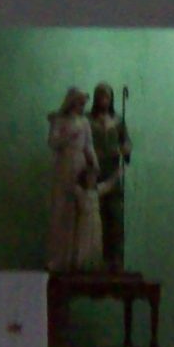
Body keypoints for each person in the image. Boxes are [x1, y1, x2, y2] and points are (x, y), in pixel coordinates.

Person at [46, 88, 103, 273]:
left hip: (79, 165)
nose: (81, 107)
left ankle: (76, 258)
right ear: (71, 102)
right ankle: (58, 257)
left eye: (83, 104)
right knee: (61, 209)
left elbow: (89, 146)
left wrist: (94, 163)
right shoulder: (59, 120)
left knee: (77, 212)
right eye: (79, 103)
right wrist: (66, 137)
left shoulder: (84, 122)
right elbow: (52, 143)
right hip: (64, 165)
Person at [89, 83, 132, 273]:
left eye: (106, 97)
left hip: (113, 174)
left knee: (114, 217)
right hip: (92, 174)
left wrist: (126, 149)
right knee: (93, 219)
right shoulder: (87, 121)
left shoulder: (118, 121)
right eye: (100, 97)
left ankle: (115, 260)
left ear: (111, 99)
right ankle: (93, 260)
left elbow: (126, 142)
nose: (103, 101)